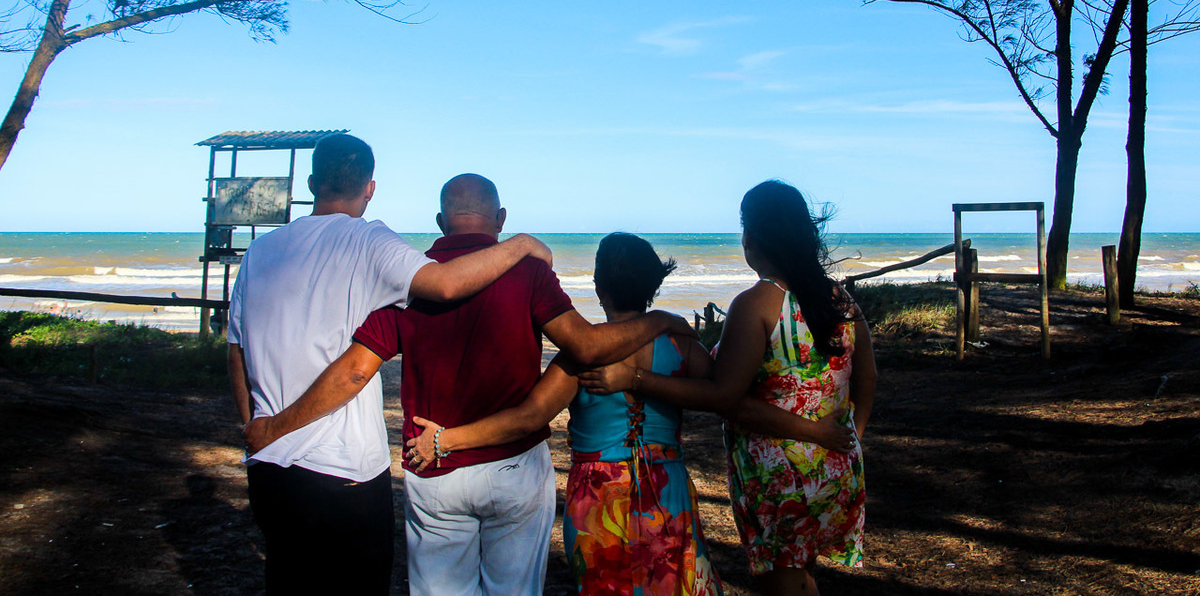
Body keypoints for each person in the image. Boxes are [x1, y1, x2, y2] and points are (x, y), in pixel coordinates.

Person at [244, 176, 691, 596]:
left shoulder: (410, 279)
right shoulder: (528, 273)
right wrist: (662, 320)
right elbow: (587, 346)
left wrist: (278, 425)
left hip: (434, 461)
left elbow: (356, 369)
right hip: (514, 465)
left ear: (441, 222)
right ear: (500, 219)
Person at [227, 140, 553, 596]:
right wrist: (520, 244)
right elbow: (442, 284)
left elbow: (237, 349)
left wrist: (255, 425)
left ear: (310, 184)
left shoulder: (260, 252)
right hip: (344, 468)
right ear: (371, 188)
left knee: (287, 581)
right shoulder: (368, 240)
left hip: (269, 465)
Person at [579, 181, 877, 596]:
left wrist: (635, 380)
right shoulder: (839, 298)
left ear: (751, 237)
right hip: (837, 465)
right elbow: (867, 379)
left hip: (781, 472)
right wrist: (852, 436)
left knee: (782, 581)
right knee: (803, 571)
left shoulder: (757, 303)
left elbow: (723, 396)